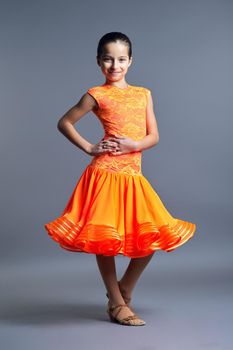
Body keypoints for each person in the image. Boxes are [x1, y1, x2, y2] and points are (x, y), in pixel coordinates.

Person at [44, 31, 197, 326]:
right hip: (104, 174)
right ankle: (116, 303)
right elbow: (64, 122)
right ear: (99, 62)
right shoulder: (96, 94)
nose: (115, 65)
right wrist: (90, 147)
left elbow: (154, 136)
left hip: (132, 175)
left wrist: (134, 145)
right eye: (108, 59)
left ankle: (124, 289)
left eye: (121, 59)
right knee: (105, 239)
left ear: (131, 61)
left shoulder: (143, 94)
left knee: (153, 234)